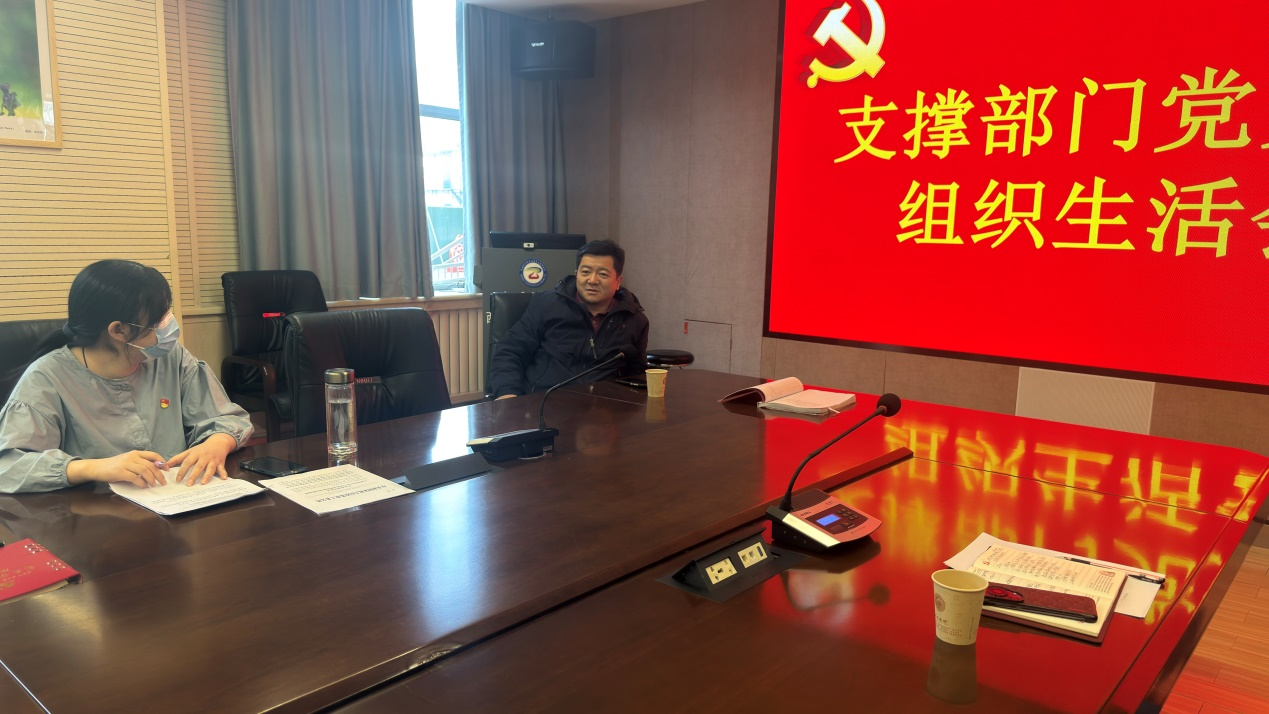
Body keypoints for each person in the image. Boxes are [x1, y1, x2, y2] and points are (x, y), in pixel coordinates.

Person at [0, 260, 254, 494]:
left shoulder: (171, 357)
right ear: (118, 330)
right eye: (157, 321)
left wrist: (217, 442)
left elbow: (225, 417)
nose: (168, 326)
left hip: (180, 498)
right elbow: (8, 467)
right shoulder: (48, 378)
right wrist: (93, 467)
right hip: (98, 512)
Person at [489, 239, 649, 399]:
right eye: (585, 272)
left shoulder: (635, 320)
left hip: (603, 407)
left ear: (618, 282)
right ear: (576, 274)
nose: (592, 280)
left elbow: (636, 374)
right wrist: (506, 392)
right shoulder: (547, 304)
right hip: (544, 401)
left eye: (603, 274)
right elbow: (511, 350)